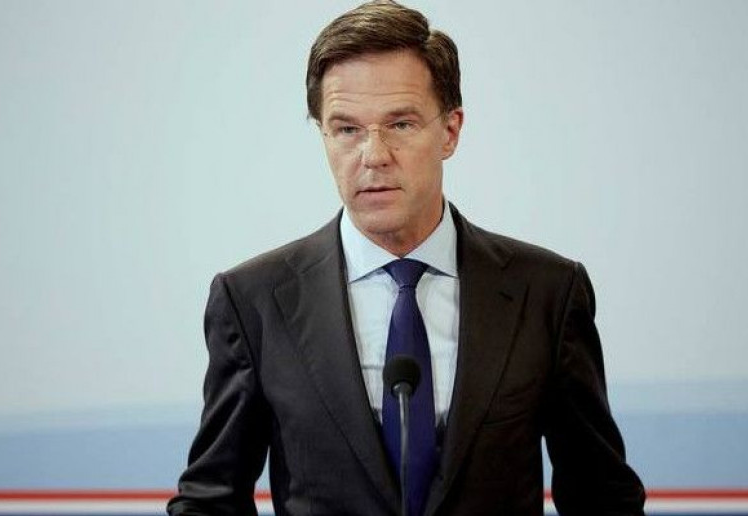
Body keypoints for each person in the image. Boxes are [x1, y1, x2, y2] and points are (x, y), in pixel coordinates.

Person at [167, 1, 645, 515]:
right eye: (346, 129)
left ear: (450, 131)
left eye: (400, 124)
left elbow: (601, 496)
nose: (373, 155)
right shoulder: (254, 302)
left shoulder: (547, 292)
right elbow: (210, 500)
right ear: (323, 135)